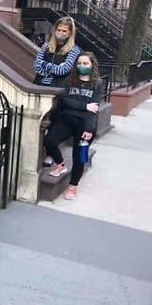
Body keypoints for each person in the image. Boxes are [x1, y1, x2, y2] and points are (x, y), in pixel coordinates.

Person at [44, 52, 104, 200]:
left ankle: (73, 186)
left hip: (85, 125)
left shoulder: (97, 84)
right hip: (66, 120)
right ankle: (60, 164)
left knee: (80, 157)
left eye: (85, 63)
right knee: (49, 141)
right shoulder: (69, 80)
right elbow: (65, 100)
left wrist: (89, 129)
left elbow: (94, 109)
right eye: (79, 63)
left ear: (92, 65)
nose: (81, 66)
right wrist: (84, 106)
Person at [33, 16, 82, 88]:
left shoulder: (74, 50)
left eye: (64, 31)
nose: (61, 32)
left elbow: (63, 70)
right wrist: (55, 69)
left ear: (70, 33)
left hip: (59, 88)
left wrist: (44, 64)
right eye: (59, 30)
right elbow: (36, 66)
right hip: (39, 85)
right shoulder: (46, 46)